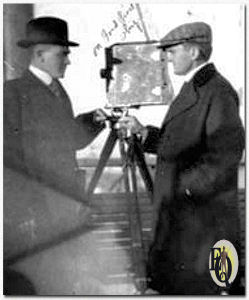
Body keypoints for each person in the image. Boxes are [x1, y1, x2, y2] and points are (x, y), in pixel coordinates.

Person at [117, 22, 245, 294]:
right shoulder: (196, 89)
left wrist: (182, 189)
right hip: (184, 220)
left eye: (172, 51)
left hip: (202, 224)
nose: (168, 57)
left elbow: (224, 157)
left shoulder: (217, 92)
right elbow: (181, 143)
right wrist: (143, 133)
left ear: (194, 52)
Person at [4, 16, 106, 202]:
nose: (68, 61)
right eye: (63, 54)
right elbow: (9, 159)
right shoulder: (12, 93)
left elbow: (66, 140)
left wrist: (93, 120)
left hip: (63, 198)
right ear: (40, 54)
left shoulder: (57, 90)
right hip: (35, 203)